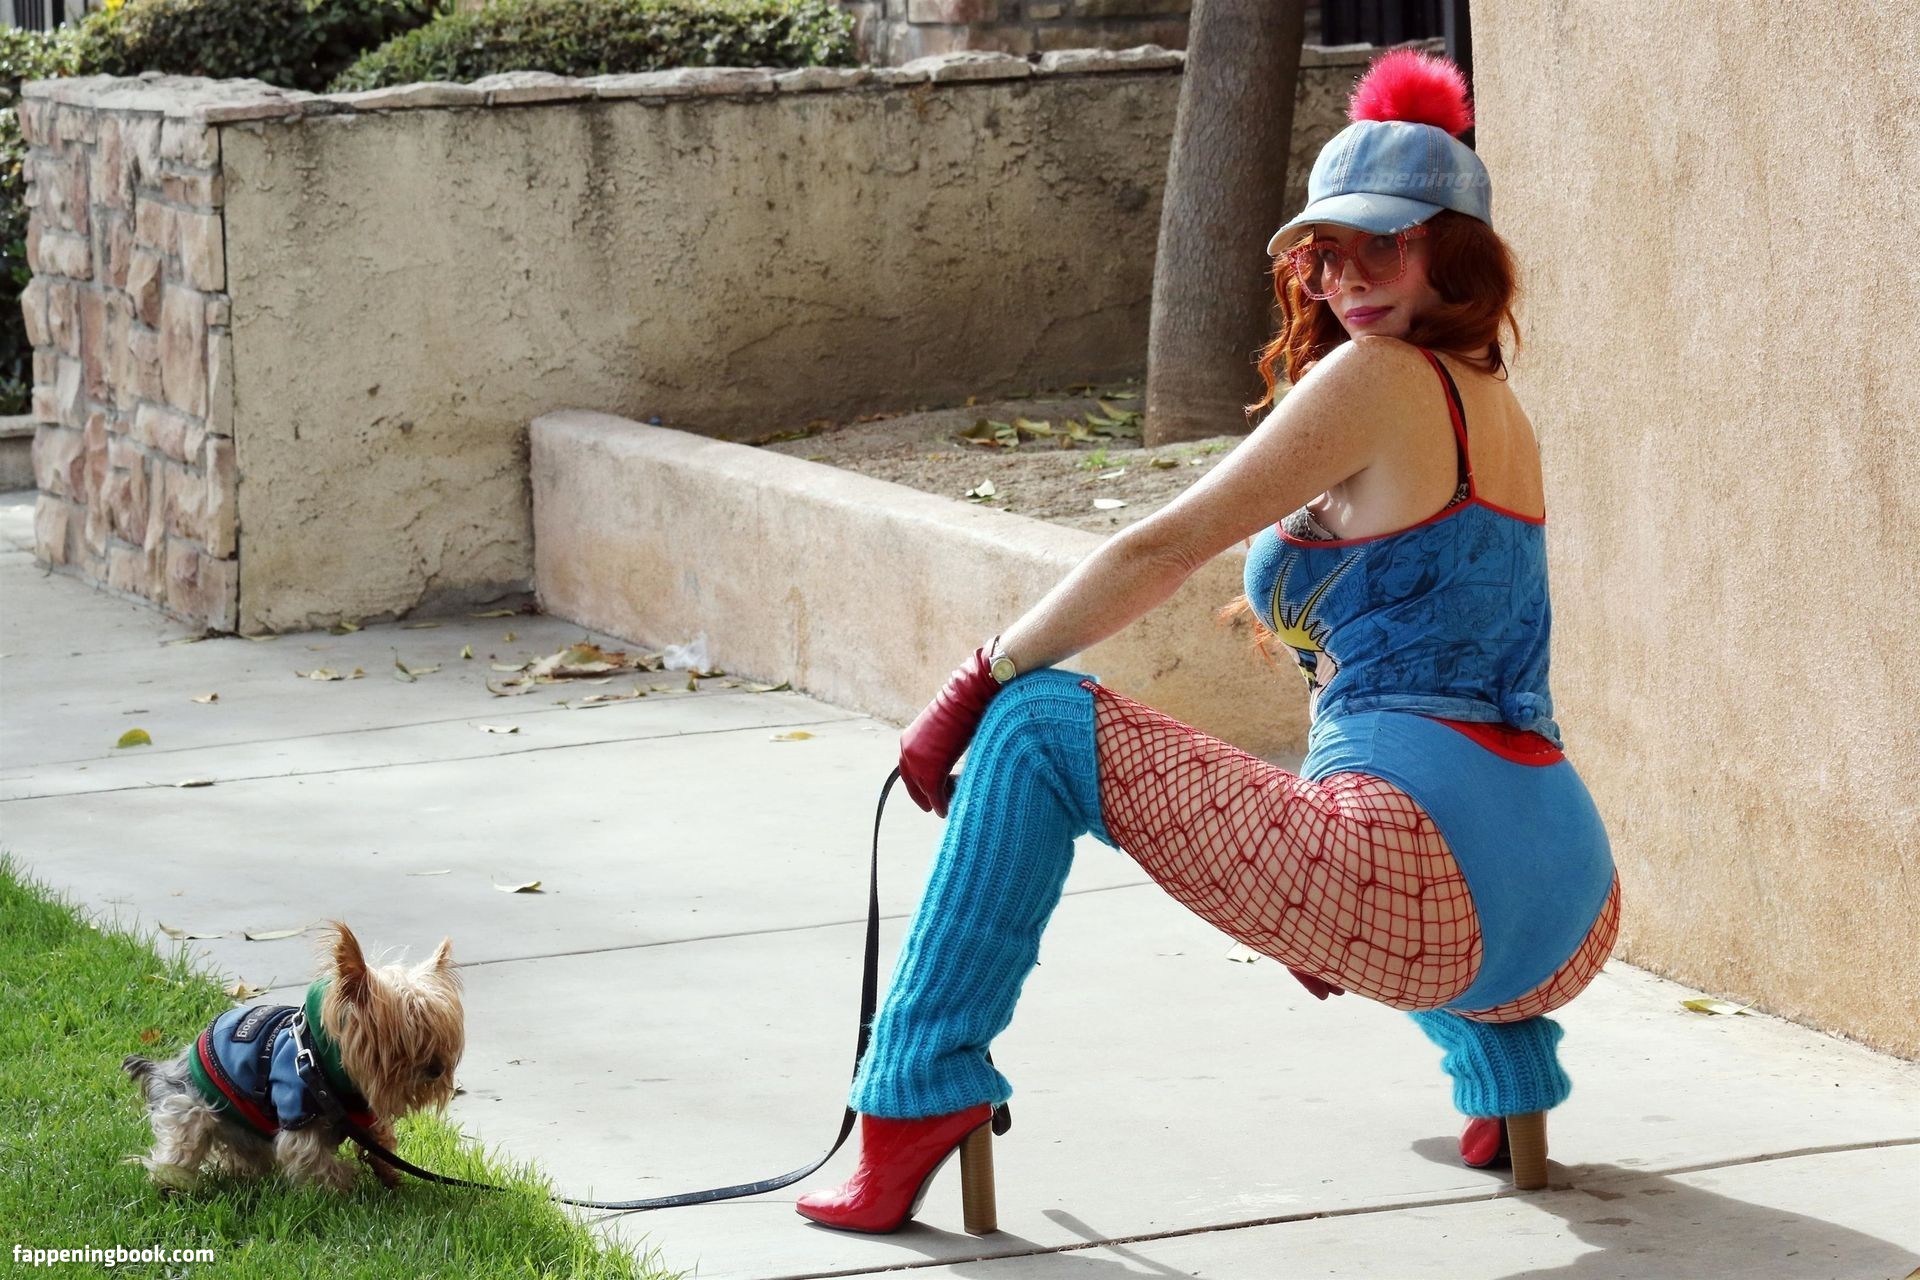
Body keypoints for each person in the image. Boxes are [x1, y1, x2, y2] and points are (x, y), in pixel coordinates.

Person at [795, 47, 1620, 1234]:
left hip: (1431, 883)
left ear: (1455, 251)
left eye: (1383, 244)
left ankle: (914, 1091)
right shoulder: (1496, 403)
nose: (1345, 276)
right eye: (1325, 250)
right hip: (1569, 900)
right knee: (1360, 794)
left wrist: (975, 677)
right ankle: (1507, 1074)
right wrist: (1299, 875)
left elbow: (1161, 546)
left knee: (1031, 725)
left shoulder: (1379, 376)